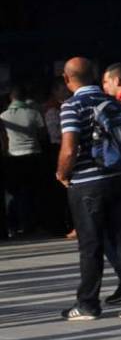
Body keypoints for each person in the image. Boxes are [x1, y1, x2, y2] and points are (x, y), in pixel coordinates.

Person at [56, 56, 121, 322]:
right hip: (119, 178)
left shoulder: (72, 105)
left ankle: (87, 303)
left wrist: (62, 173)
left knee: (90, 244)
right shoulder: (114, 103)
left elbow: (69, 147)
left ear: (67, 79)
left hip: (88, 183)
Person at [1, 83, 48, 237]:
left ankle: (17, 224)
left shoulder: (3, 116)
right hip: (34, 154)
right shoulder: (34, 113)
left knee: (17, 193)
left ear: (11, 98)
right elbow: (42, 134)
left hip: (13, 157)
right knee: (35, 191)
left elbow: (4, 139)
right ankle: (34, 223)